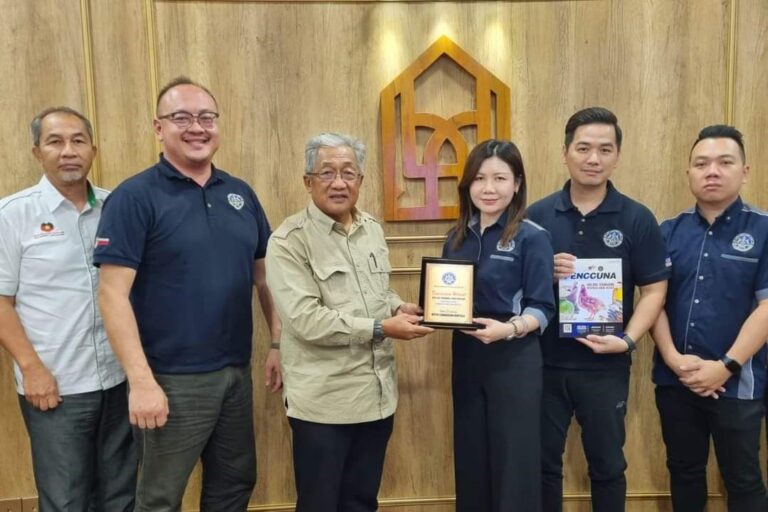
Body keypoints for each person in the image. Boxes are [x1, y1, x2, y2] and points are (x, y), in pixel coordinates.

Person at [94, 77, 281, 511]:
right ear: (159, 128)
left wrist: (277, 342)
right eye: (181, 118)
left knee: (235, 484)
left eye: (206, 117)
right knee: (160, 498)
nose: (197, 127)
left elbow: (265, 277)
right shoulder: (133, 197)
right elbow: (111, 296)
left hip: (235, 373)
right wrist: (141, 382)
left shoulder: (239, 193)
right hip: (171, 380)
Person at [265, 132, 433, 511]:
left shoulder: (371, 228)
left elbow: (378, 293)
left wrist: (397, 308)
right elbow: (305, 320)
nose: (339, 183)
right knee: (320, 504)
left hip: (376, 397)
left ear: (361, 180)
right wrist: (381, 328)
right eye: (327, 173)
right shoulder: (288, 241)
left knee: (361, 502)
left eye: (348, 173)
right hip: (324, 404)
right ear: (308, 181)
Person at [526, 107, 669, 512]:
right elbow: (515, 289)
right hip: (544, 363)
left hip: (606, 367)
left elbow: (654, 289)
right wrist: (545, 273)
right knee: (542, 465)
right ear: (565, 153)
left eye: (605, 149)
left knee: (608, 466)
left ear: (617, 156)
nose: (593, 158)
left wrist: (628, 341)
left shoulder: (637, 217)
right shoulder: (536, 216)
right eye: (583, 148)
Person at [0, 107, 135, 510]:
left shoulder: (116, 207)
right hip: (56, 387)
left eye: (78, 141)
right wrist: (32, 368)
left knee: (120, 496)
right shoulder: (12, 215)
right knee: (66, 500)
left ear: (94, 149)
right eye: (55, 142)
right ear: (36, 152)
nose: (68, 151)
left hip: (117, 380)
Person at [650, 125, 768, 512]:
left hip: (738, 383)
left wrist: (725, 366)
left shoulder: (764, 229)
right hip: (676, 379)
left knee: (743, 479)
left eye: (724, 162)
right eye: (701, 164)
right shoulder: (667, 231)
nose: (712, 171)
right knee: (683, 472)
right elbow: (653, 301)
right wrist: (672, 358)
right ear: (689, 173)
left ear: (745, 172)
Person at [442, 139, 555, 511]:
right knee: (471, 458)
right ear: (467, 186)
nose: (488, 188)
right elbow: (446, 297)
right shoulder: (455, 238)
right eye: (479, 178)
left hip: (514, 357)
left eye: (499, 178)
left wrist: (509, 329)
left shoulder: (532, 236)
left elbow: (543, 307)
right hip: (467, 356)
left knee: (513, 462)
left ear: (517, 183)